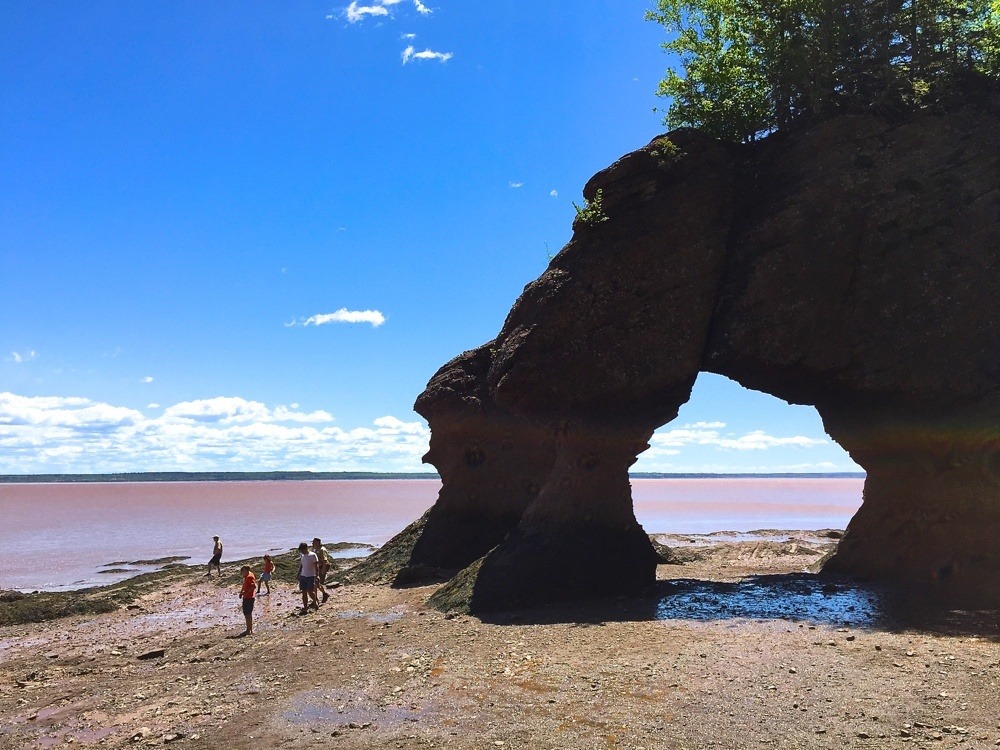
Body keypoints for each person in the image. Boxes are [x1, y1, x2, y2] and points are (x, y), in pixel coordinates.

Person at [296, 542, 320, 615]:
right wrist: (298, 573)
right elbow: (302, 565)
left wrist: (317, 575)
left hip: (311, 575)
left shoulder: (312, 555)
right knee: (304, 592)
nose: (301, 552)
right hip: (303, 576)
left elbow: (316, 566)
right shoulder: (302, 555)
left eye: (302, 550)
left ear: (306, 548)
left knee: (310, 591)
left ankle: (315, 601)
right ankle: (305, 608)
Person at [312, 538, 331, 604]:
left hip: (322, 566)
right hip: (318, 567)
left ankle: (321, 596)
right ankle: (316, 598)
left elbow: (325, 560)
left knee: (317, 583)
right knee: (316, 583)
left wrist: (323, 569)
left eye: (313, 542)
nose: (312, 544)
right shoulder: (316, 549)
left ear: (317, 542)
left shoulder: (322, 549)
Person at [238, 565, 256, 636]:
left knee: (247, 614)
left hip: (249, 598)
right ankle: (249, 629)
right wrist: (241, 592)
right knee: (248, 614)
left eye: (242, 572)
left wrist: (245, 592)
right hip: (247, 597)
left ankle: (248, 630)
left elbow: (253, 586)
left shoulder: (249, 577)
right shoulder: (247, 576)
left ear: (245, 570)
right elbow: (244, 585)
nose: (242, 574)